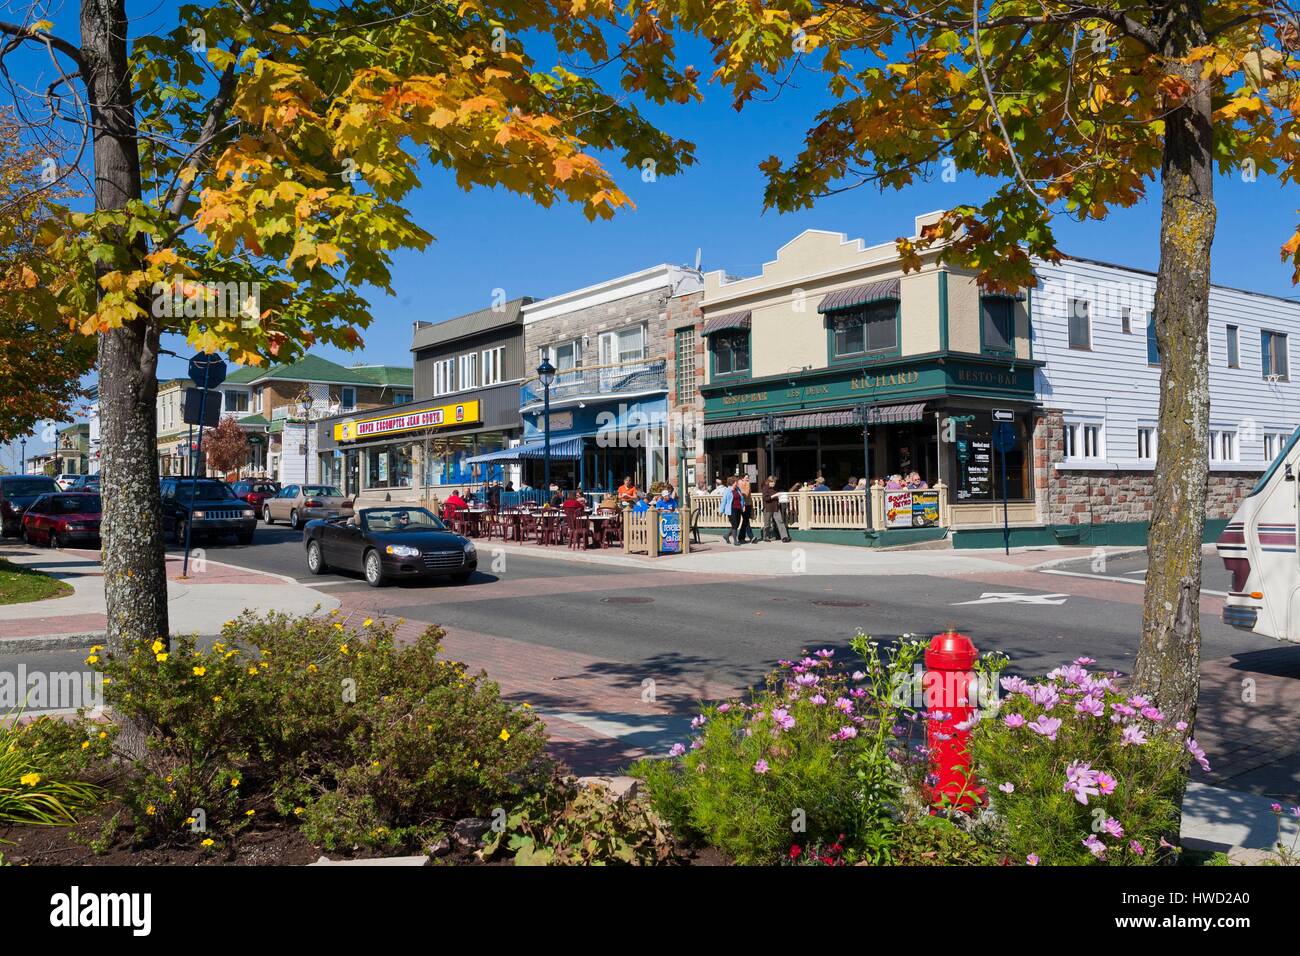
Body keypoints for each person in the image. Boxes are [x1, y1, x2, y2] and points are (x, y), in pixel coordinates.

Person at [762, 476, 791, 542]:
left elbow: (777, 497)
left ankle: (784, 537)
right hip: (768, 507)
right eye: (772, 482)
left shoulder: (775, 488)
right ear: (769, 482)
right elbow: (766, 498)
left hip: (776, 507)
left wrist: (783, 498)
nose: (773, 483)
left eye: (774, 482)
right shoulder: (765, 488)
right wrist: (775, 495)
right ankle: (766, 537)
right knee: (767, 523)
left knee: (780, 521)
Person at [719, 476, 744, 545]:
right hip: (731, 510)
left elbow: (741, 498)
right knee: (734, 524)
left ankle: (726, 535)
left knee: (736, 525)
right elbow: (724, 501)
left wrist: (743, 506)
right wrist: (721, 511)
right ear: (732, 483)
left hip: (738, 509)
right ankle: (735, 541)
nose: (737, 483)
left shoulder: (738, 489)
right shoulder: (727, 490)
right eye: (736, 482)